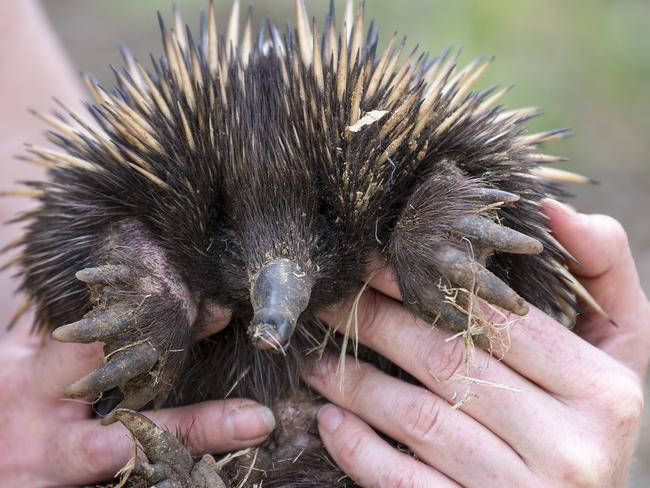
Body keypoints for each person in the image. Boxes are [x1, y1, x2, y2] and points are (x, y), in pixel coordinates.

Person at [1, 2, 647, 487]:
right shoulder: (128, 196)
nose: (276, 289)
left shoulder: (427, 166)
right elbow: (66, 224)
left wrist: (438, 227)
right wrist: (144, 279)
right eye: (226, 224)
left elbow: (516, 216)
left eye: (319, 215)